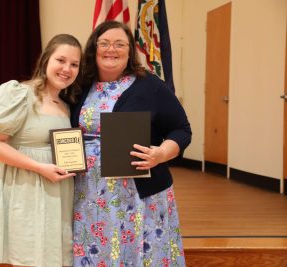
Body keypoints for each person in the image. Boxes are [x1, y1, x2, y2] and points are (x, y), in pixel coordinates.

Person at [70, 21, 192, 266]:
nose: (111, 49)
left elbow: (181, 129)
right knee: (94, 250)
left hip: (138, 194)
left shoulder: (151, 85)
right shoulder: (79, 85)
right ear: (94, 48)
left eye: (119, 44)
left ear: (130, 50)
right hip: (88, 192)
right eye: (104, 43)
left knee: (138, 254)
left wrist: (161, 153)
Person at [0, 34, 82, 267]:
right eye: (61, 60)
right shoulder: (20, 94)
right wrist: (39, 167)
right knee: (28, 257)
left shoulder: (66, 104)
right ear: (46, 60)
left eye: (74, 64)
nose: (67, 69)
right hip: (26, 189)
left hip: (57, 192)